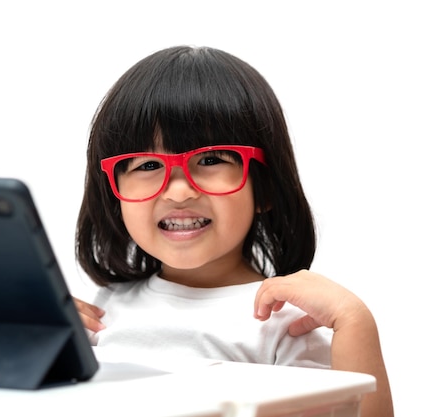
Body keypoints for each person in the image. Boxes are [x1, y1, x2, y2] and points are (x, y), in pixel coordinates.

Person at [74, 45, 393, 417]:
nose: (178, 190)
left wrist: (355, 323)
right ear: (115, 193)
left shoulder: (286, 322)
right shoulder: (108, 306)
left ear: (266, 188)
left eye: (210, 159)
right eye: (146, 164)